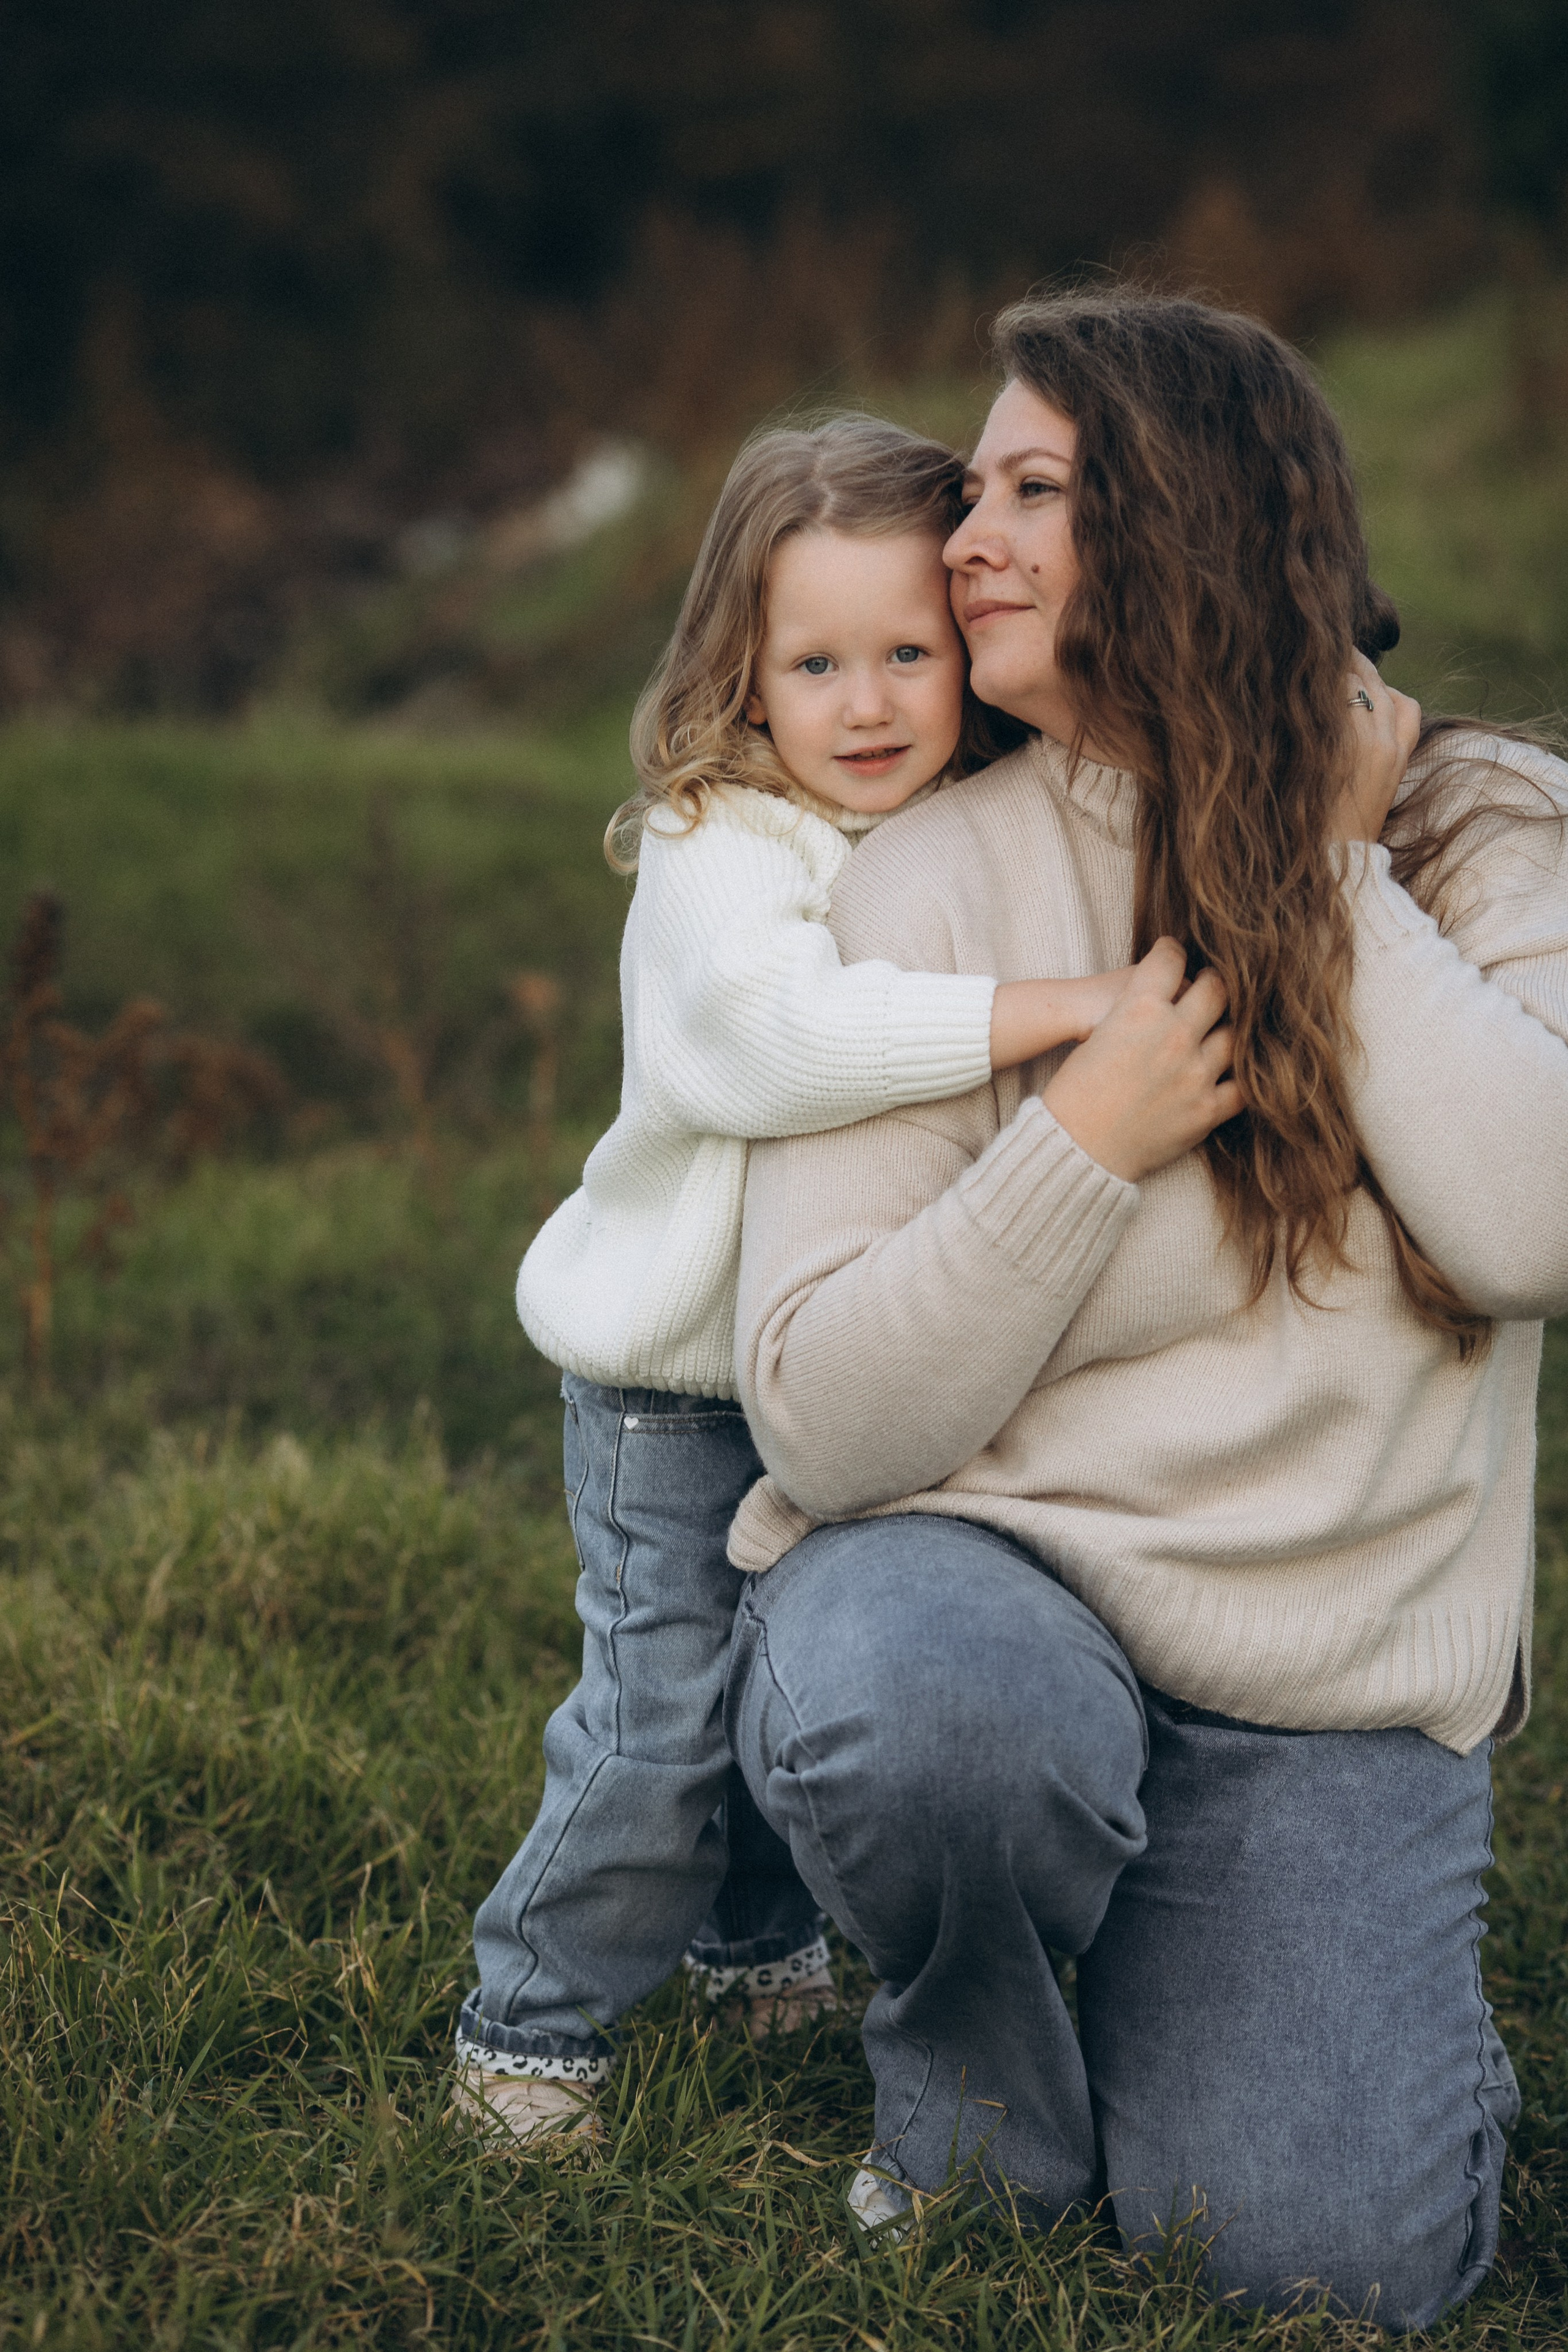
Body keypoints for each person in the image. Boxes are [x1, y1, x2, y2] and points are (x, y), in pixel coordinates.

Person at [723, 289, 1568, 2327]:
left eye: (1034, 489)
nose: (964, 542)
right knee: (937, 1717)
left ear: (1192, 522)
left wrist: (1322, 866)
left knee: (1325, 2269)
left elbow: (1532, 1223)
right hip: (986, 1602)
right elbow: (824, 1418)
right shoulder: (917, 882)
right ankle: (976, 2047)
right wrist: (1082, 1138)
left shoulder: (1483, 827)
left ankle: (1272, 1986)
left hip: (1328, 1688)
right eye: (973, 492)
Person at [454, 415, 1151, 2143]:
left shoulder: (976, 825)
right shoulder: (725, 841)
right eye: (816, 662)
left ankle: (756, 1951)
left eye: (908, 655)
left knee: (792, 1686)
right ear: (741, 673)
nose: (867, 706)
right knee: (666, 1722)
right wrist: (1050, 1010)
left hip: (841, 1366)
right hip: (679, 1392)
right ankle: (529, 2022)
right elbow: (758, 1045)